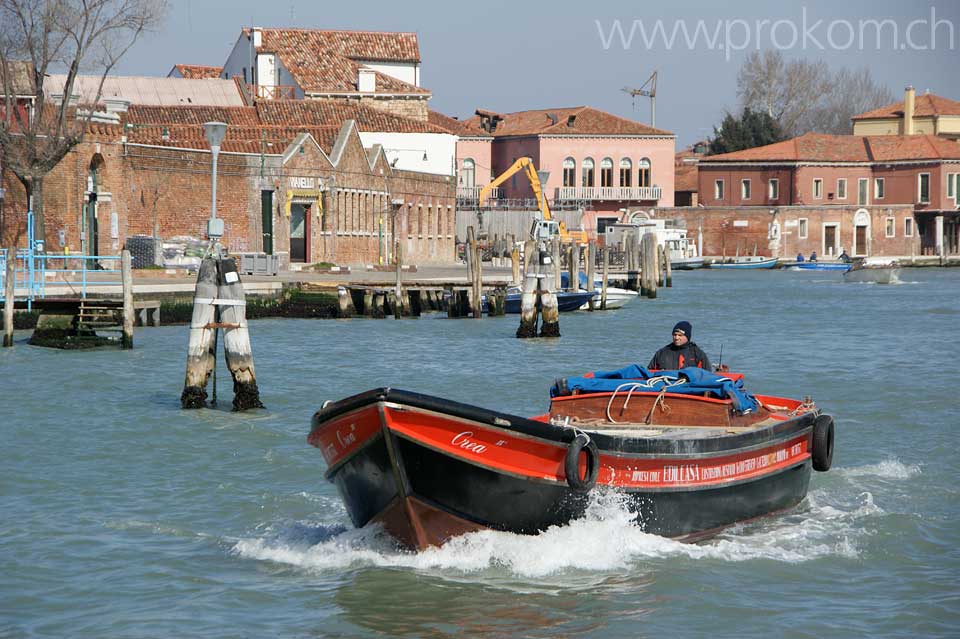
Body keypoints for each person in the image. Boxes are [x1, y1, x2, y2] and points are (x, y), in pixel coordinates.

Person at [648, 321, 713, 371]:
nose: (676, 338)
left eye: (680, 335)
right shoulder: (662, 353)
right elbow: (650, 371)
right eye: (674, 335)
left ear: (687, 337)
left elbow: (707, 374)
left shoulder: (698, 353)